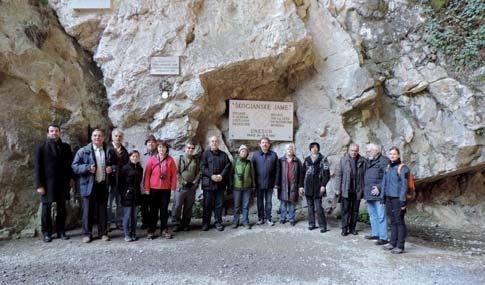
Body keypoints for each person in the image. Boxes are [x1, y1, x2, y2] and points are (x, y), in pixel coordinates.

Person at [72, 129, 117, 243]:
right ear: (91, 137)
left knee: (103, 211)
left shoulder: (109, 150)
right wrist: (87, 168)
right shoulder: (83, 151)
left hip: (103, 184)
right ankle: (87, 234)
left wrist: (112, 168)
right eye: (95, 135)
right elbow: (75, 166)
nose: (97, 137)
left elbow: (116, 165)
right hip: (88, 185)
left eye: (100, 136)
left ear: (103, 138)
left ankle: (103, 233)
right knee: (88, 211)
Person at [34, 124, 74, 242]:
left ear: (59, 133)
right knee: (46, 209)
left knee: (62, 208)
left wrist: (71, 179)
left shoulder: (66, 147)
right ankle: (47, 233)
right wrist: (39, 185)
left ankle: (61, 231)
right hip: (47, 184)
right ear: (48, 133)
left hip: (62, 182)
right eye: (52, 131)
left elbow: (70, 165)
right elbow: (37, 168)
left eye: (56, 131)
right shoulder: (41, 147)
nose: (54, 133)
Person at [144, 140, 177, 239]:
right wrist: (146, 187)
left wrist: (173, 187)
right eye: (159, 147)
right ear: (157, 149)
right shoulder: (152, 159)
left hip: (165, 189)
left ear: (166, 149)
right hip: (154, 188)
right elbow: (147, 174)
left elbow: (174, 175)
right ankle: (151, 230)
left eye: (163, 147)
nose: (161, 149)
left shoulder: (170, 160)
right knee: (153, 210)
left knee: (164, 211)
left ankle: (164, 230)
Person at [380, 146, 409, 254]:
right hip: (388, 198)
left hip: (398, 198)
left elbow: (404, 186)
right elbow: (384, 183)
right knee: (392, 221)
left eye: (394, 154)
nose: (392, 156)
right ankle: (392, 243)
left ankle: (400, 246)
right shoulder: (388, 167)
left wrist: (403, 201)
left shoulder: (403, 168)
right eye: (391, 154)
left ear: (398, 155)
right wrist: (382, 198)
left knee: (399, 221)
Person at [200, 136, 231, 231]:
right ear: (210, 143)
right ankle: (206, 223)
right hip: (208, 184)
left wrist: (221, 175)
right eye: (212, 141)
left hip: (220, 184)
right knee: (207, 204)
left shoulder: (224, 155)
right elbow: (202, 167)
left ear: (219, 143)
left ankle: (218, 222)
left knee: (219, 204)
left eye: (216, 141)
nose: (214, 143)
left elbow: (228, 166)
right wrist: (211, 175)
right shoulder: (205, 154)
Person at [335, 143, 366, 236]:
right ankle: (344, 229)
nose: (354, 152)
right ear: (349, 150)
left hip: (358, 189)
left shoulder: (363, 160)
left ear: (358, 151)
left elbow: (366, 175)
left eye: (356, 151)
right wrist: (338, 188)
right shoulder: (343, 160)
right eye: (352, 150)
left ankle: (352, 228)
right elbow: (339, 175)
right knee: (345, 209)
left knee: (355, 210)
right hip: (346, 189)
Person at [300, 142, 330, 233]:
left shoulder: (323, 159)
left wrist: (323, 185)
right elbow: (302, 174)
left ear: (318, 149)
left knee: (318, 207)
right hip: (308, 186)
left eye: (316, 147)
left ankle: (323, 226)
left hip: (318, 186)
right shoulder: (307, 159)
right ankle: (311, 224)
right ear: (310, 149)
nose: (314, 149)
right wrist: (301, 186)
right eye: (312, 147)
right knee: (310, 207)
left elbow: (326, 174)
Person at [364, 143, 390, 245]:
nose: (367, 152)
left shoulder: (384, 160)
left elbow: (388, 176)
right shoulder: (369, 160)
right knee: (372, 215)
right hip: (369, 192)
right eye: (367, 150)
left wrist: (379, 187)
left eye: (369, 150)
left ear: (376, 150)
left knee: (381, 216)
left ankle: (383, 237)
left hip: (379, 193)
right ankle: (375, 234)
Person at [172, 141, 200, 232]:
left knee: (188, 207)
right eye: (188, 148)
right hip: (180, 187)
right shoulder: (179, 159)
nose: (190, 150)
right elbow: (176, 172)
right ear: (185, 148)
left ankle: (185, 224)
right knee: (177, 206)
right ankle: (176, 223)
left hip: (191, 187)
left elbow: (199, 172)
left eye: (192, 148)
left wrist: (195, 182)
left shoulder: (196, 160)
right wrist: (183, 182)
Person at [251, 137, 279, 226]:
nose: (264, 144)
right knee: (259, 203)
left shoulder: (274, 155)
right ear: (260, 144)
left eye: (266, 142)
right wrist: (253, 183)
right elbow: (252, 170)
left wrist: (276, 182)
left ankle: (268, 218)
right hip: (258, 184)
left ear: (269, 144)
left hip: (270, 184)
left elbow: (277, 170)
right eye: (263, 142)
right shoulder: (255, 155)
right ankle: (260, 218)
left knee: (269, 202)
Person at [107, 129, 129, 231]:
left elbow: (126, 166)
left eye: (120, 136)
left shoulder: (124, 151)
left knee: (119, 203)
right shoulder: (107, 148)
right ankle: (108, 223)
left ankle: (119, 222)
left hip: (121, 181)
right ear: (112, 136)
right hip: (109, 180)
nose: (118, 138)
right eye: (116, 136)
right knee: (108, 203)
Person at [275, 143, 302, 226]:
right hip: (283, 184)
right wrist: (276, 183)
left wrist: (300, 186)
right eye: (288, 149)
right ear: (285, 151)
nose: (289, 150)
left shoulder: (297, 161)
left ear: (293, 150)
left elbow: (301, 174)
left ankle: (291, 218)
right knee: (283, 203)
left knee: (291, 202)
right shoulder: (281, 160)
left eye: (291, 149)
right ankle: (283, 218)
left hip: (293, 184)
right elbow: (278, 173)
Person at [119, 150, 143, 242]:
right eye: (133, 156)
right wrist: (124, 193)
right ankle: (126, 234)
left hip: (137, 194)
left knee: (134, 216)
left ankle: (133, 233)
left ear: (139, 158)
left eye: (137, 156)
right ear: (130, 157)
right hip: (127, 195)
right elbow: (120, 183)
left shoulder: (140, 169)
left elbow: (139, 181)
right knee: (127, 216)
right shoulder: (125, 168)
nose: (135, 158)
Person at [231, 145, 255, 229]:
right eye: (242, 151)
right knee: (236, 206)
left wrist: (253, 186)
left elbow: (252, 175)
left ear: (247, 153)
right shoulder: (234, 162)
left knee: (245, 206)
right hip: (236, 187)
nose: (244, 153)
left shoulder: (249, 162)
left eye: (245, 151)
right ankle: (235, 221)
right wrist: (230, 185)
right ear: (239, 152)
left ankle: (245, 221)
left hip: (247, 187)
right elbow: (231, 174)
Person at [139, 134, 157, 229]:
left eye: (153, 142)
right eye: (149, 142)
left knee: (154, 205)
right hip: (143, 185)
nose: (151, 144)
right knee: (144, 206)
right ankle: (145, 222)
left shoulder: (159, 155)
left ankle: (153, 223)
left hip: (155, 185)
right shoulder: (141, 155)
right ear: (146, 144)